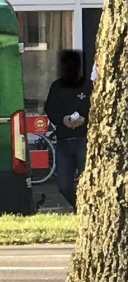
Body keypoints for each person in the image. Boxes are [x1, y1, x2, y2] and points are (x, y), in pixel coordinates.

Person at [44, 50, 92, 211]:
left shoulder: (87, 86)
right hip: (64, 141)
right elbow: (50, 109)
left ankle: (89, 211)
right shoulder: (57, 87)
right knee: (64, 184)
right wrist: (62, 120)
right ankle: (79, 209)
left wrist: (84, 119)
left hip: (84, 140)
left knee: (88, 180)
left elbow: (97, 109)